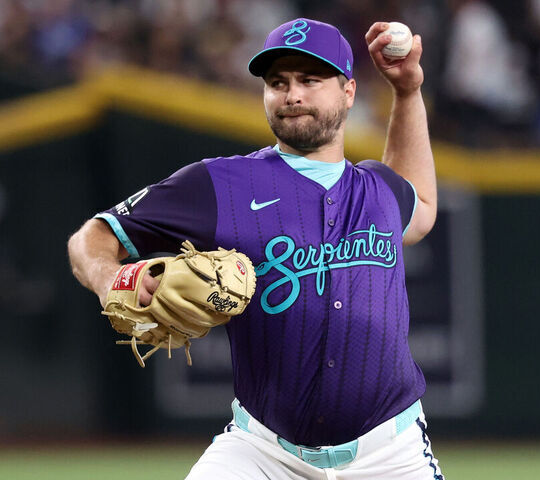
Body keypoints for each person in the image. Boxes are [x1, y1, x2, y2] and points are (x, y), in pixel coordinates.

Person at [68, 17, 443, 480]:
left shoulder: (378, 187)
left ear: (348, 92)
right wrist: (112, 281)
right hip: (263, 451)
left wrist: (407, 93)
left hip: (391, 452)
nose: (293, 95)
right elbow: (91, 237)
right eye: (277, 82)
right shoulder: (218, 183)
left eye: (310, 79)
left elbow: (422, 206)